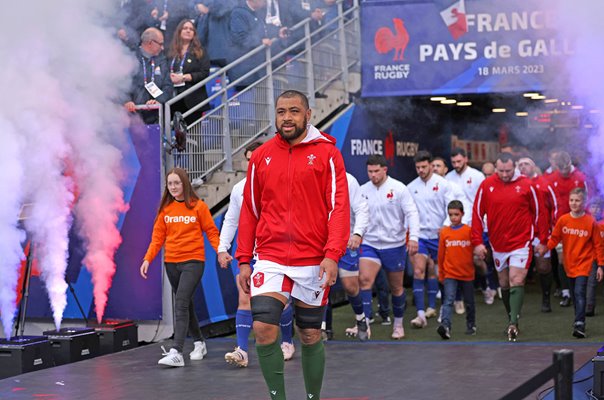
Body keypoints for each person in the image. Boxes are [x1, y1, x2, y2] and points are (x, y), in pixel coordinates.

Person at [235, 90, 349, 400]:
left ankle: (312, 397)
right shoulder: (261, 157)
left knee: (310, 333)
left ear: (308, 115)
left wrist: (332, 254)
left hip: (313, 259)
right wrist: (244, 259)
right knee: (263, 328)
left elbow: (338, 208)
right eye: (282, 111)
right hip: (270, 256)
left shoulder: (328, 154)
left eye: (295, 111)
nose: (287, 117)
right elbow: (250, 210)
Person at [217, 142, 296, 367]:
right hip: (248, 254)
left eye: (257, 158)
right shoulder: (239, 189)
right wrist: (223, 248)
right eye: (249, 159)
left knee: (280, 302)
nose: (253, 162)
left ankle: (288, 341)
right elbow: (231, 220)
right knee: (245, 298)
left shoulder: (281, 183)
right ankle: (242, 350)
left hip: (276, 252)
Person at [140, 167, 220, 366]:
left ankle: (177, 351)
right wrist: (147, 259)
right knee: (186, 304)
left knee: (181, 303)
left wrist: (221, 252)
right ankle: (200, 342)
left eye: (177, 183)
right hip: (172, 263)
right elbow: (157, 239)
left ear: (184, 183)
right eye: (170, 184)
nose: (174, 187)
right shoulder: (165, 210)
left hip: (193, 262)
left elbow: (211, 232)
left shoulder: (198, 207)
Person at [471, 152, 547, 341]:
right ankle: (512, 317)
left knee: (516, 279)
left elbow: (540, 213)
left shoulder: (527, 185)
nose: (505, 174)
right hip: (498, 243)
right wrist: (478, 241)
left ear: (515, 167)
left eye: (508, 170)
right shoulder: (487, 185)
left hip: (521, 242)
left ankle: (513, 323)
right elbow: (477, 214)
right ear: (495, 168)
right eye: (501, 170)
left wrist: (542, 239)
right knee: (504, 283)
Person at [358, 154, 420, 340]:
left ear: (385, 169)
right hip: (370, 244)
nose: (373, 175)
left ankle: (398, 325)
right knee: (364, 280)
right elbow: (357, 215)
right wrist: (356, 234)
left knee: (396, 287)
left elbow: (412, 213)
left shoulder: (399, 188)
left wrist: (414, 237)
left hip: (394, 245)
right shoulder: (362, 190)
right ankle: (365, 324)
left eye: (376, 171)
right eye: (369, 171)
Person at [537, 188, 604, 338]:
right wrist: (545, 248)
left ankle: (580, 323)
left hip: (584, 264)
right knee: (575, 294)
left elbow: (598, 245)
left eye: (577, 200)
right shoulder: (563, 220)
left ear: (584, 202)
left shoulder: (590, 222)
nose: (574, 203)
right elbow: (555, 238)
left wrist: (600, 266)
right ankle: (577, 319)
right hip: (569, 264)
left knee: (580, 292)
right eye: (571, 200)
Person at [407, 151, 456, 328]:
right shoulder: (411, 187)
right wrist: (412, 234)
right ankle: (421, 314)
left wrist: (444, 225)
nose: (420, 170)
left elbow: (451, 208)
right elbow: (409, 213)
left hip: (440, 235)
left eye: (424, 167)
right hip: (420, 235)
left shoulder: (444, 185)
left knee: (439, 272)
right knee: (419, 270)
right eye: (418, 167)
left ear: (430, 165)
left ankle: (439, 307)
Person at [545, 151, 588, 307]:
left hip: (578, 224)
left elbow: (588, 200)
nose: (563, 172)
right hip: (559, 225)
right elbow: (547, 203)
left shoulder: (580, 178)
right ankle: (566, 292)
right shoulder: (551, 179)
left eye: (565, 168)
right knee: (563, 260)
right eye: (560, 169)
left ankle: (579, 292)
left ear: (570, 163)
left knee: (578, 259)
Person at [517, 155, 558, 312]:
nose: (523, 167)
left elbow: (555, 206)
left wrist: (553, 228)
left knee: (543, 266)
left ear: (533, 166)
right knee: (519, 269)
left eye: (526, 164)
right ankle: (516, 305)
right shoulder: (516, 185)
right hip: (521, 233)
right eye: (520, 164)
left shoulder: (544, 183)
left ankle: (546, 298)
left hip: (541, 232)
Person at [336, 172, 369, 340]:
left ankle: (361, 317)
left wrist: (357, 233)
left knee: (350, 286)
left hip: (344, 240)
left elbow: (361, 208)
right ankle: (323, 329)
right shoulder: (309, 174)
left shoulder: (348, 180)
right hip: (319, 240)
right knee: (319, 285)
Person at [437, 200, 476, 339]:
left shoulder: (469, 231)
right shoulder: (445, 232)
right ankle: (446, 326)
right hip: (450, 273)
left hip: (467, 274)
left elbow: (475, 248)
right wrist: (441, 274)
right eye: (451, 215)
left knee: (469, 302)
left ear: (462, 214)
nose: (453, 217)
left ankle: (471, 324)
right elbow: (441, 255)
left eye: (456, 214)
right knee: (448, 300)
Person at [228, 0, 288, 90]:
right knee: (248, 102)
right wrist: (259, 42)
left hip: (257, 70)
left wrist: (277, 33)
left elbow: (264, 32)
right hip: (245, 72)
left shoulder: (257, 13)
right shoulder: (238, 13)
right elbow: (240, 38)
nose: (265, 3)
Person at [124, 27, 173, 124]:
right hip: (131, 116)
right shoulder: (130, 57)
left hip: (154, 117)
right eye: (161, 44)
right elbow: (121, 83)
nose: (162, 47)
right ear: (150, 43)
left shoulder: (162, 60)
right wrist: (126, 101)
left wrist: (158, 100)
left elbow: (168, 87)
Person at [167, 19, 211, 125]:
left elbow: (204, 73)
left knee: (193, 135)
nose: (188, 31)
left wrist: (184, 77)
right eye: (185, 28)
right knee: (176, 134)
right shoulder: (170, 50)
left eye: (191, 29)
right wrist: (169, 76)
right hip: (174, 97)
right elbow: (164, 69)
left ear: (194, 34)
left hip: (193, 98)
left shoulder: (200, 51)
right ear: (179, 31)